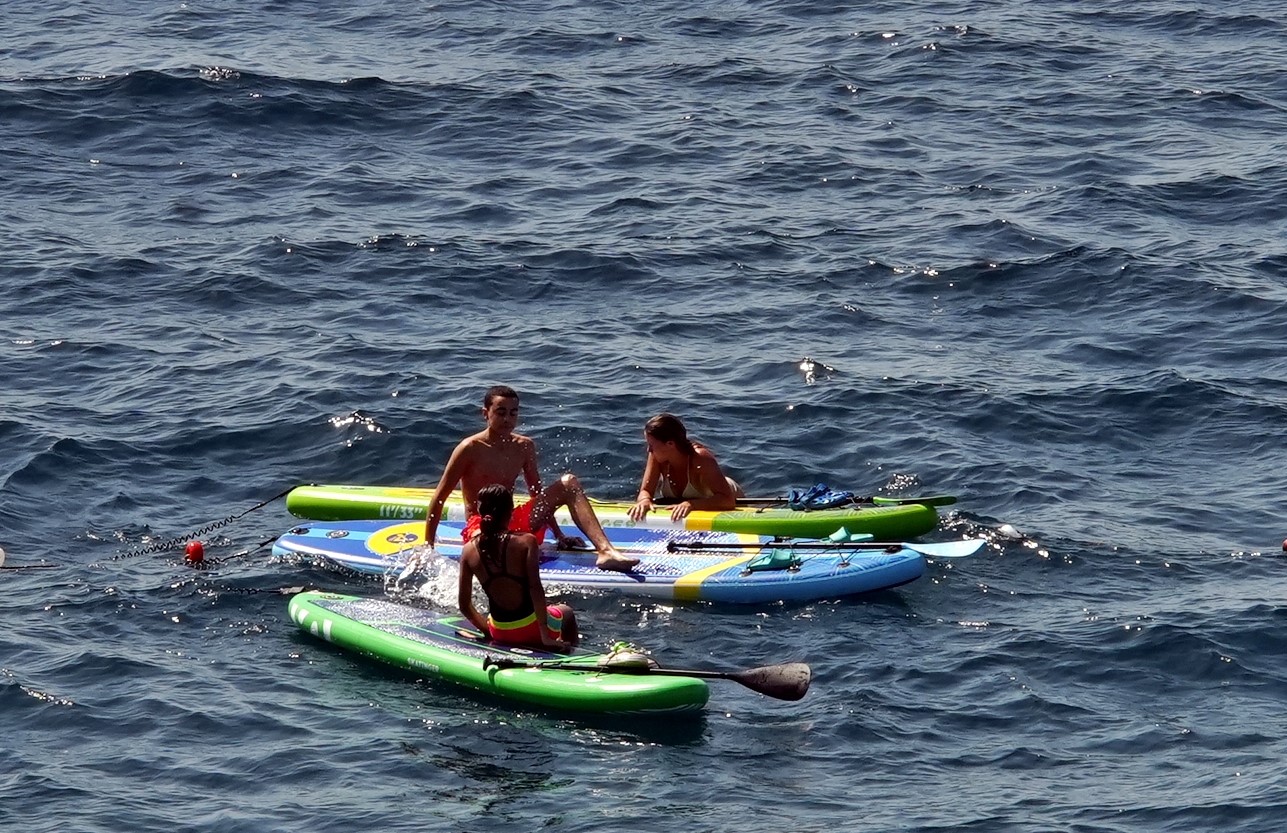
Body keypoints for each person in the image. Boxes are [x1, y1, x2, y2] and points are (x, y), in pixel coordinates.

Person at [424, 385, 639, 572]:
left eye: (513, 413)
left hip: (515, 522)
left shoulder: (524, 446)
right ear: (485, 413)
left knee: (568, 482)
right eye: (501, 413)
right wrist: (428, 548)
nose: (508, 419)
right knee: (499, 555)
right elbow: (439, 497)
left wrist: (559, 535)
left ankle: (606, 551)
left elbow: (536, 494)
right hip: (482, 527)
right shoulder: (469, 448)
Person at [458, 484, 579, 650]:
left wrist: (487, 631)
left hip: (499, 630)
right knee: (567, 612)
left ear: (481, 513)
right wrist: (545, 636)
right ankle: (569, 654)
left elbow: (464, 605)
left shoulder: (468, 550)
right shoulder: (526, 542)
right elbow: (535, 588)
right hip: (532, 630)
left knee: (547, 608)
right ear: (510, 512)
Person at [628, 413, 743, 522]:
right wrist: (644, 500)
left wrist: (691, 504)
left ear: (670, 444)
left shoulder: (700, 457)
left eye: (651, 445)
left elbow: (727, 500)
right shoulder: (657, 456)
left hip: (729, 494)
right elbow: (646, 490)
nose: (649, 450)